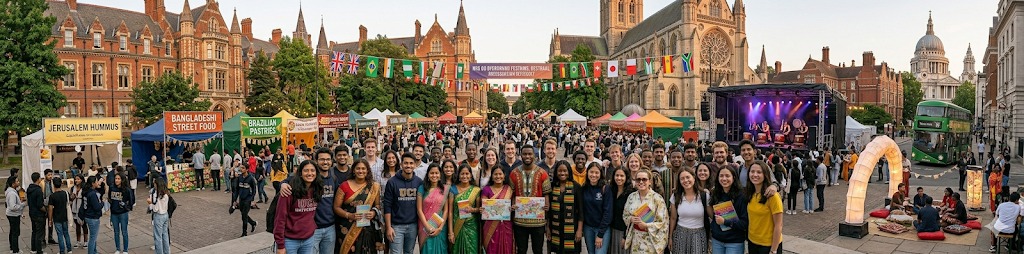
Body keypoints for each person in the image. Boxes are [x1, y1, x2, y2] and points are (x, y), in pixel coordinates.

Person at [334, 159, 382, 254]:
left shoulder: (374, 186)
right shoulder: (344, 186)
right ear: (353, 170)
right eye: (358, 168)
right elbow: (336, 208)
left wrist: (373, 212)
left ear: (367, 171)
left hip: (367, 229)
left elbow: (377, 205)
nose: (361, 171)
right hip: (347, 228)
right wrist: (349, 215)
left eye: (363, 169)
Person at [275, 160, 323, 254]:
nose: (310, 173)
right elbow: (280, 218)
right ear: (300, 173)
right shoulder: (288, 191)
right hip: (290, 240)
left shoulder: (317, 189)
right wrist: (280, 245)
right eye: (306, 171)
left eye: (312, 170)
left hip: (309, 239)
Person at [508, 145, 550, 254]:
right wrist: (512, 205)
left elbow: (546, 193)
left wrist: (547, 204)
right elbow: (511, 193)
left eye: (530, 154)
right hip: (520, 221)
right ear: (520, 156)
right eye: (525, 154)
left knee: (538, 250)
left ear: (535, 156)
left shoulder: (542, 173)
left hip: (538, 221)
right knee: (521, 250)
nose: (527, 156)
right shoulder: (514, 173)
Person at [383, 153, 424, 254]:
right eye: (405, 163)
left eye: (411, 163)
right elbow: (387, 206)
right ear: (401, 164)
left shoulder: (419, 182)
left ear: (415, 165)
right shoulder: (392, 182)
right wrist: (388, 227)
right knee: (395, 252)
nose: (408, 166)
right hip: (396, 226)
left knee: (409, 252)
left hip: (413, 225)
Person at [623, 169, 668, 254]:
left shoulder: (657, 198)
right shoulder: (631, 197)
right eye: (638, 179)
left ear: (650, 181)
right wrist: (631, 219)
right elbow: (625, 215)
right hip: (636, 238)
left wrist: (646, 225)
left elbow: (663, 222)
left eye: (644, 179)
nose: (641, 182)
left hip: (651, 240)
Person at [746, 161, 784, 254]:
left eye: (759, 172)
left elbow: (778, 225)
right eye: (752, 171)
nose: (755, 175)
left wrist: (774, 250)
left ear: (765, 175)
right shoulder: (751, 193)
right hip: (752, 242)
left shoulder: (772, 196)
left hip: (768, 245)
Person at [669, 169, 709, 254]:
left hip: (699, 234)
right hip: (680, 234)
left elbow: (711, 215)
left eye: (688, 177)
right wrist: (670, 237)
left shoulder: (704, 195)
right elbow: (673, 218)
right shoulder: (676, 196)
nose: (685, 180)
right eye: (682, 178)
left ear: (694, 178)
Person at [711, 166, 749, 254]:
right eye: (721, 176)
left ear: (734, 177)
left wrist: (725, 221)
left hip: (734, 242)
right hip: (717, 240)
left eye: (727, 176)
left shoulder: (741, 196)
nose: (724, 179)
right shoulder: (716, 193)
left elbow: (744, 223)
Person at [548, 160, 583, 254]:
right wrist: (547, 229)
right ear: (556, 172)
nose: (562, 173)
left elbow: (580, 211)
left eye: (565, 171)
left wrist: (579, 230)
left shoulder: (576, 187)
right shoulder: (552, 186)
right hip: (556, 229)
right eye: (560, 171)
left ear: (569, 172)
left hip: (572, 229)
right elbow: (549, 211)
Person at [482, 165, 514, 254]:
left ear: (504, 176)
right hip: (490, 225)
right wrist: (482, 209)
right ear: (492, 176)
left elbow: (513, 204)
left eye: (500, 174)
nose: (498, 176)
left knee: (507, 247)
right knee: (491, 249)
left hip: (506, 225)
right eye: (495, 174)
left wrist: (513, 208)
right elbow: (484, 206)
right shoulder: (486, 189)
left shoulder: (509, 189)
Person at [417, 163, 449, 254]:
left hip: (440, 225)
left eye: (436, 173)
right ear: (428, 175)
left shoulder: (445, 189)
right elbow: (419, 210)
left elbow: (446, 210)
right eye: (432, 173)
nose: (434, 175)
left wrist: (440, 228)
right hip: (424, 225)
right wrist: (427, 226)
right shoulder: (422, 188)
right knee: (427, 249)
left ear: (440, 175)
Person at [449, 165, 480, 254]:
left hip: (472, 227)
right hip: (456, 226)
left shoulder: (476, 190)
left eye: (467, 173)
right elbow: (450, 212)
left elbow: (479, 209)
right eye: (462, 174)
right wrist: (450, 232)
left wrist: (472, 210)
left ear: (471, 176)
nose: (465, 176)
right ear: (458, 175)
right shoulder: (453, 189)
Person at [109, 172, 135, 253]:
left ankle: (125, 250)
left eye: (118, 179)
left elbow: (131, 201)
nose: (116, 180)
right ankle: (117, 249)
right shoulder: (112, 187)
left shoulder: (127, 190)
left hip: (123, 213)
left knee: (124, 232)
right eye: (116, 178)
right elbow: (110, 198)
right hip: (114, 213)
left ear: (122, 180)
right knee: (116, 232)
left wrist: (126, 205)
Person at [234, 163, 259, 236]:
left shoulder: (251, 178)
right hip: (241, 199)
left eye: (243, 168)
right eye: (241, 168)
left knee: (244, 216)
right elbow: (237, 189)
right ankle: (253, 223)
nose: (241, 169)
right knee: (243, 214)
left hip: (247, 199)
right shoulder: (240, 178)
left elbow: (254, 189)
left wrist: (252, 199)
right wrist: (235, 199)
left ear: (247, 169)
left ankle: (244, 233)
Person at [81, 176, 103, 254]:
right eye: (96, 181)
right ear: (93, 183)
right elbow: (97, 207)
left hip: (87, 215)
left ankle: (94, 251)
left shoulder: (86, 191)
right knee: (93, 238)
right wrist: (102, 203)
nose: (98, 183)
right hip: (93, 217)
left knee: (94, 236)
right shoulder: (92, 194)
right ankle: (91, 252)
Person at [26, 172, 47, 254]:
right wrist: (45, 210)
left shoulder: (29, 188)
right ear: (38, 179)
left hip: (32, 212)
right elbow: (40, 205)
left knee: (34, 231)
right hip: (38, 214)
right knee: (39, 232)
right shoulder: (38, 190)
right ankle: (39, 250)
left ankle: (33, 248)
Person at [6, 175, 24, 253]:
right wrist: (22, 205)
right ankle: (15, 250)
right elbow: (13, 206)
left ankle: (12, 247)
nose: (18, 182)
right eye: (17, 181)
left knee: (13, 231)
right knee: (15, 233)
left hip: (12, 214)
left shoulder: (12, 191)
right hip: (13, 215)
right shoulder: (12, 194)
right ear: (13, 184)